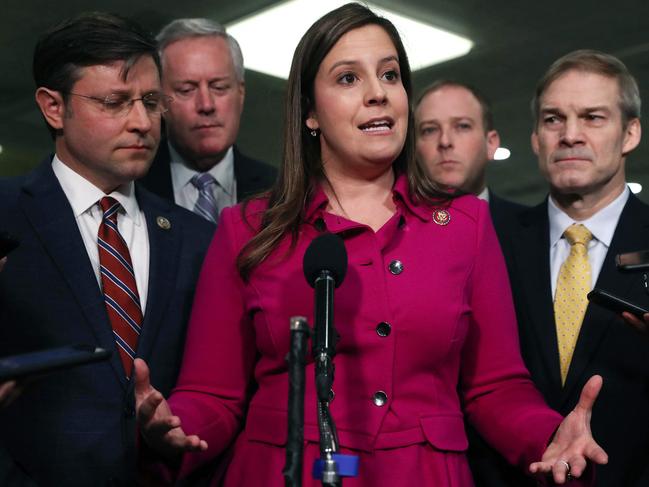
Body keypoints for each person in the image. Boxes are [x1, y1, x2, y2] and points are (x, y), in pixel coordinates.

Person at [135, 5, 608, 486]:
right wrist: (176, 427)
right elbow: (213, 393)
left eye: (390, 74)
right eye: (347, 79)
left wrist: (549, 435)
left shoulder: (466, 225)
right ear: (310, 113)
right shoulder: (247, 228)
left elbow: (495, 386)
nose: (378, 93)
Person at [0, 13, 214, 486]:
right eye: (115, 102)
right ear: (53, 108)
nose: (142, 122)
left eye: (151, 102)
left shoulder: (197, 238)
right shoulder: (5, 215)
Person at [474, 50, 649, 486]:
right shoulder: (486, 244)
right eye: (553, 119)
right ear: (535, 138)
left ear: (630, 133)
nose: (570, 135)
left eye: (592, 117)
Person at [140, 18, 277, 223]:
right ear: (160, 101)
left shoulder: (282, 191)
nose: (206, 105)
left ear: (241, 94)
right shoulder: (131, 186)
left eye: (219, 87)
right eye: (186, 90)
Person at [414, 80, 527, 245]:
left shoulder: (535, 233)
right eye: (429, 130)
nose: (445, 141)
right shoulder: (393, 235)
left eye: (462, 126)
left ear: (490, 143)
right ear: (414, 148)